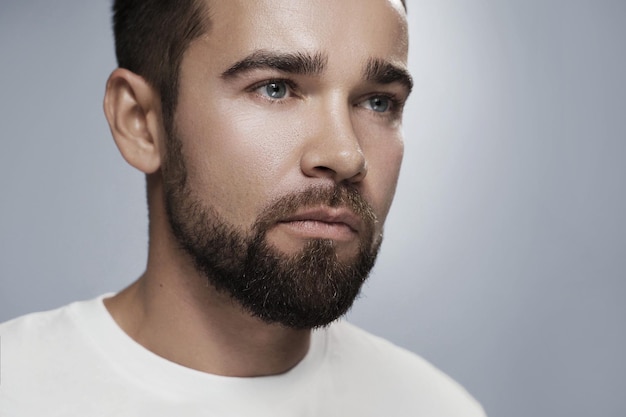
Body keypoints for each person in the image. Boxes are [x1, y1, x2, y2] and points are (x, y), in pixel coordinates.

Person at [0, 0, 486, 415]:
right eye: (275, 87)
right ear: (141, 123)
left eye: (378, 102)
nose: (345, 155)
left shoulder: (436, 407)